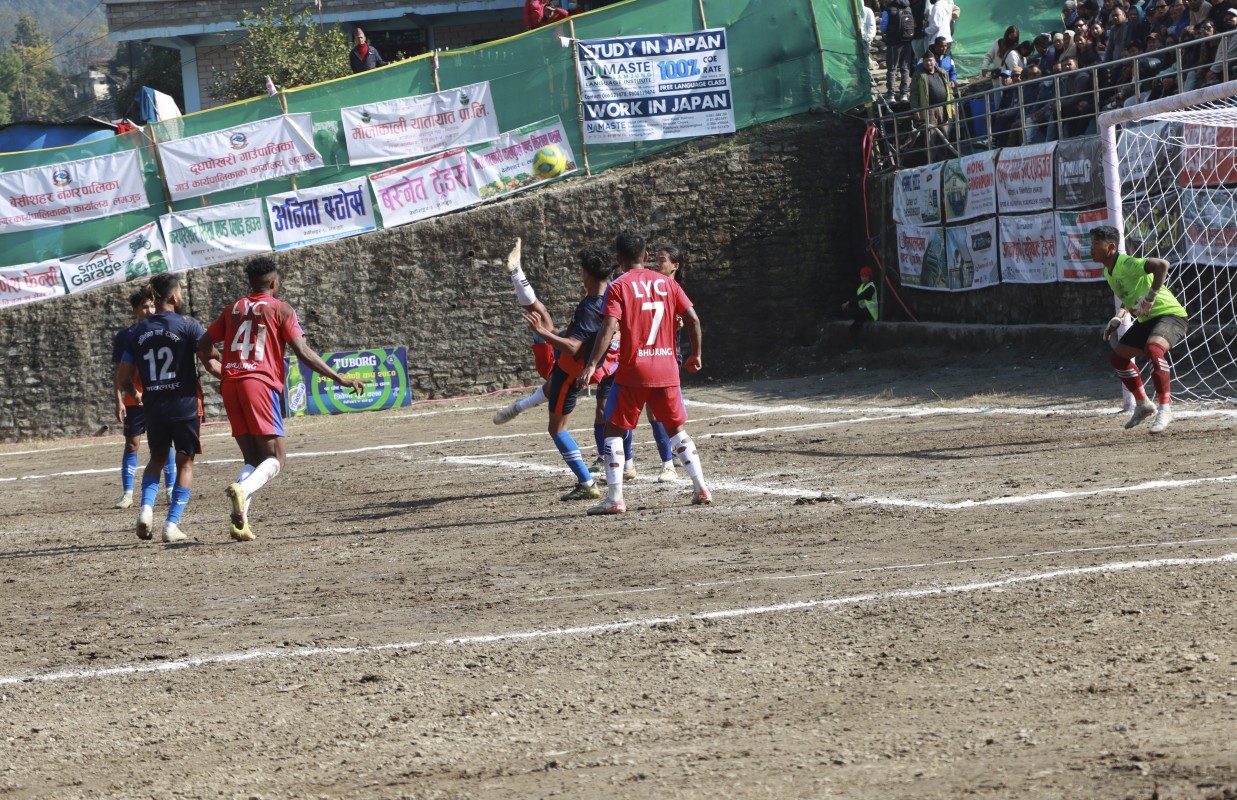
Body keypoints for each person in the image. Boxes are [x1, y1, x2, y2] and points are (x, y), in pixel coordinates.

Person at [199, 258, 365, 541]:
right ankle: (243, 490)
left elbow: (203, 345)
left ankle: (241, 523)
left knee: (253, 459)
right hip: (259, 384)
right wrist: (339, 378)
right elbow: (302, 350)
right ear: (275, 282)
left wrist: (220, 368)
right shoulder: (281, 309)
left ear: (250, 282)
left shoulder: (233, 309)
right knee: (276, 458)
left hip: (231, 385)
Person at [574, 231, 711, 514]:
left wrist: (592, 364)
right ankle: (701, 488)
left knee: (613, 430)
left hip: (634, 370)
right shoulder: (668, 283)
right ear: (646, 256)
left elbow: (609, 326)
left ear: (618, 259)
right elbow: (693, 319)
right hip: (667, 367)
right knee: (676, 430)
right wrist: (696, 354)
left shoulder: (618, 285)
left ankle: (615, 499)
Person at [116, 275, 221, 543]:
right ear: (174, 296)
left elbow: (123, 378)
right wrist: (234, 372)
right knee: (185, 462)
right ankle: (171, 524)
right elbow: (210, 361)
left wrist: (136, 395)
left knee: (157, 458)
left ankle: (146, 509)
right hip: (185, 406)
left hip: (154, 408)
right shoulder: (188, 325)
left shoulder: (136, 332)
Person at [520, 248, 617, 501]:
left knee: (557, 428)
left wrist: (542, 332)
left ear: (586, 274)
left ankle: (586, 482)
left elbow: (573, 347)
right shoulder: (612, 297)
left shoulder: (590, 306)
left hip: (569, 373)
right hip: (581, 369)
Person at [1092, 225, 1190, 434]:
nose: (1091, 248)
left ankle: (1165, 409)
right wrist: (1119, 317)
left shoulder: (1126, 263)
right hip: (1147, 320)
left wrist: (1151, 297)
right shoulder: (1108, 271)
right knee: (1118, 358)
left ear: (1111, 247)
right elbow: (1130, 296)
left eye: (1096, 243)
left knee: (1153, 349)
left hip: (1170, 314)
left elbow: (1162, 265)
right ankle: (1143, 404)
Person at [112, 290, 177, 510]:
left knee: (165, 442)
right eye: (144, 307)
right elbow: (119, 372)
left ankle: (170, 489)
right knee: (132, 444)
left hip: (158, 395)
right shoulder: (125, 336)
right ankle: (127, 493)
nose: (149, 310)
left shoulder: (161, 331)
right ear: (135, 311)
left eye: (151, 305)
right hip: (134, 399)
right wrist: (119, 400)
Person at [910, 51, 954, 161]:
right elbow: (914, 93)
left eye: (930, 60)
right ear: (923, 62)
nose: (928, 63)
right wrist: (915, 109)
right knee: (931, 137)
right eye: (926, 61)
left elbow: (949, 90)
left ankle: (945, 159)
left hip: (944, 108)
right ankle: (932, 161)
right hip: (929, 110)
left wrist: (952, 104)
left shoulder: (942, 72)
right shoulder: (919, 75)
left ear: (934, 61)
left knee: (944, 135)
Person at [883, 0, 917, 102]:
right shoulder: (909, 9)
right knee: (905, 68)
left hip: (893, 43)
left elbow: (883, 27)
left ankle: (891, 95)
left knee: (892, 69)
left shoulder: (888, 10)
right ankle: (904, 95)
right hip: (907, 42)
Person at [840, 266, 879, 350]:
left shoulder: (871, 287)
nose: (863, 278)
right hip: (863, 312)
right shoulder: (861, 287)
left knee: (850, 312)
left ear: (869, 277)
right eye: (862, 276)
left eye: (866, 276)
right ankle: (857, 348)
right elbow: (857, 299)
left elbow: (861, 296)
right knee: (852, 328)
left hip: (870, 312)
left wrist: (848, 303)